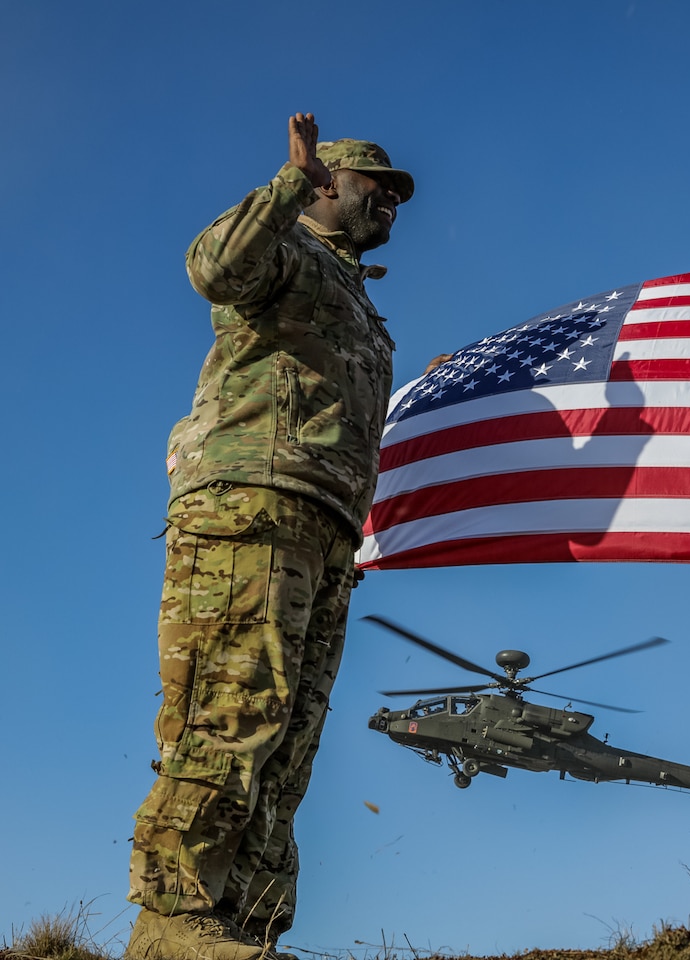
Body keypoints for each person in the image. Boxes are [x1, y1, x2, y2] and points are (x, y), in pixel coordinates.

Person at [125, 113, 413, 960]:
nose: (391, 203)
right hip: (251, 505)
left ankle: (245, 923)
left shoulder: (363, 302)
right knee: (230, 708)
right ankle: (172, 920)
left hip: (325, 531)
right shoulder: (287, 247)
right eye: (376, 186)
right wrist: (287, 184)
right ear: (329, 183)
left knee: (289, 739)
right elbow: (212, 267)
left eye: (398, 195)